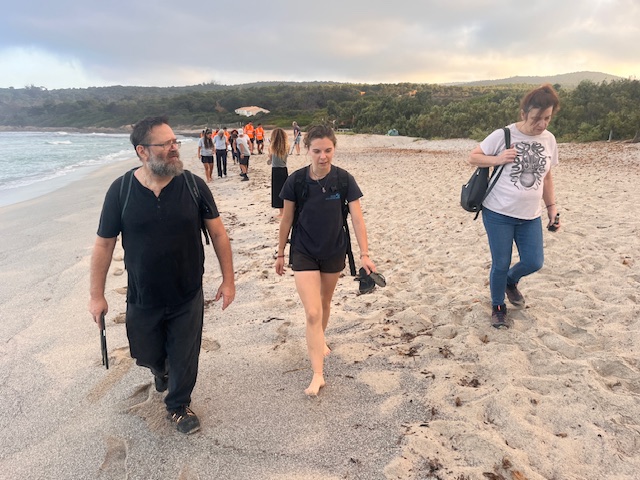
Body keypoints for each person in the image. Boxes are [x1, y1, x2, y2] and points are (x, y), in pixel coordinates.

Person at [88, 116, 235, 434]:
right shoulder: (122, 191)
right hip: (143, 295)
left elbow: (219, 234)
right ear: (142, 151)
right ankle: (160, 369)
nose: (174, 148)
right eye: (166, 144)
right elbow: (104, 245)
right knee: (147, 352)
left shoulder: (194, 187)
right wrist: (96, 296)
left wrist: (228, 279)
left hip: (186, 292)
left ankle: (178, 405)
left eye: (175, 142)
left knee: (184, 352)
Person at [274, 125, 377, 396]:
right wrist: (281, 253)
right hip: (303, 250)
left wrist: (365, 254)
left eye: (328, 150)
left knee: (324, 303)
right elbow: (286, 219)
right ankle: (317, 374)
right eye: (317, 151)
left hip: (334, 250)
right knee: (312, 312)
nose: (323, 156)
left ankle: (319, 337)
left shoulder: (344, 180)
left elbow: (357, 218)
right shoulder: (295, 181)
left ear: (334, 149)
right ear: (307, 150)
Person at [468, 84, 561, 329]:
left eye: (547, 118)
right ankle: (498, 306)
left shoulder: (549, 140)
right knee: (500, 262)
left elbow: (547, 177)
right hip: (498, 212)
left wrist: (551, 208)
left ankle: (510, 281)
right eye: (536, 119)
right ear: (523, 114)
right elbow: (473, 156)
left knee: (534, 261)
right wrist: (498, 159)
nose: (541, 124)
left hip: (530, 216)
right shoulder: (504, 135)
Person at [268, 128, 289, 217]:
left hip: (276, 170)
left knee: (277, 191)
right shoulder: (286, 146)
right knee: (285, 190)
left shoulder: (272, 148)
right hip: (284, 169)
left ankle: (281, 212)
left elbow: (270, 161)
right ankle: (286, 209)